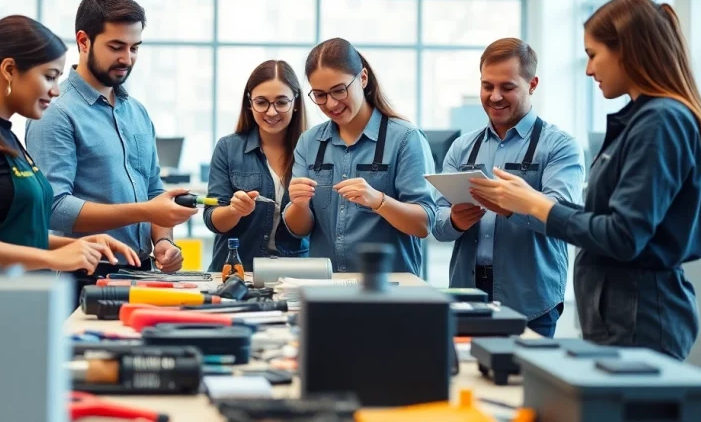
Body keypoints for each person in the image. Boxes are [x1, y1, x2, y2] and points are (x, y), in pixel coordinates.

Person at [470, 0, 701, 360]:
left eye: (593, 54)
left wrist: (538, 206)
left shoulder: (660, 122)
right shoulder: (643, 120)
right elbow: (609, 221)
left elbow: (623, 235)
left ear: (627, 52)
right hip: (621, 315)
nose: (589, 70)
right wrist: (534, 203)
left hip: (640, 317)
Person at [25, 0, 197, 289]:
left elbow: (154, 191)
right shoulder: (56, 112)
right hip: (84, 276)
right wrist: (146, 211)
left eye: (134, 48)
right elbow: (54, 208)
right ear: (83, 41)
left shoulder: (137, 112)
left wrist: (164, 242)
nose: (127, 58)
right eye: (116, 47)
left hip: (142, 272)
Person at [0, 15, 139, 272]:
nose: (56, 90)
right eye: (49, 77)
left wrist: (73, 246)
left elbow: (9, 235)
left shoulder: (4, 135)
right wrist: (51, 259)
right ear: (9, 70)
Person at [433, 38, 584, 338]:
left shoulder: (560, 147)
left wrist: (512, 207)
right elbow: (436, 222)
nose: (495, 96)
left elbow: (562, 219)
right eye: (487, 86)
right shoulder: (462, 148)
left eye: (507, 87)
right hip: (468, 294)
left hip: (530, 300)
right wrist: (454, 221)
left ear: (532, 84)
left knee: (523, 370)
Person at [284, 38, 438, 276]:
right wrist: (299, 204)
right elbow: (299, 230)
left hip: (387, 287)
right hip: (325, 286)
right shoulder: (309, 142)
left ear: (363, 78)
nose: (331, 103)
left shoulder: (406, 138)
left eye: (339, 90)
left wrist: (378, 200)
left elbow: (424, 223)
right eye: (320, 95)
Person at [204, 60, 310, 271]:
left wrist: (301, 205)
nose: (271, 112)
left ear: (296, 103)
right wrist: (234, 211)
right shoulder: (228, 148)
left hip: (293, 274)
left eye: (281, 102)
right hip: (236, 272)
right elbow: (212, 220)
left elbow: (306, 229)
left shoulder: (312, 149)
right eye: (261, 102)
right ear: (249, 103)